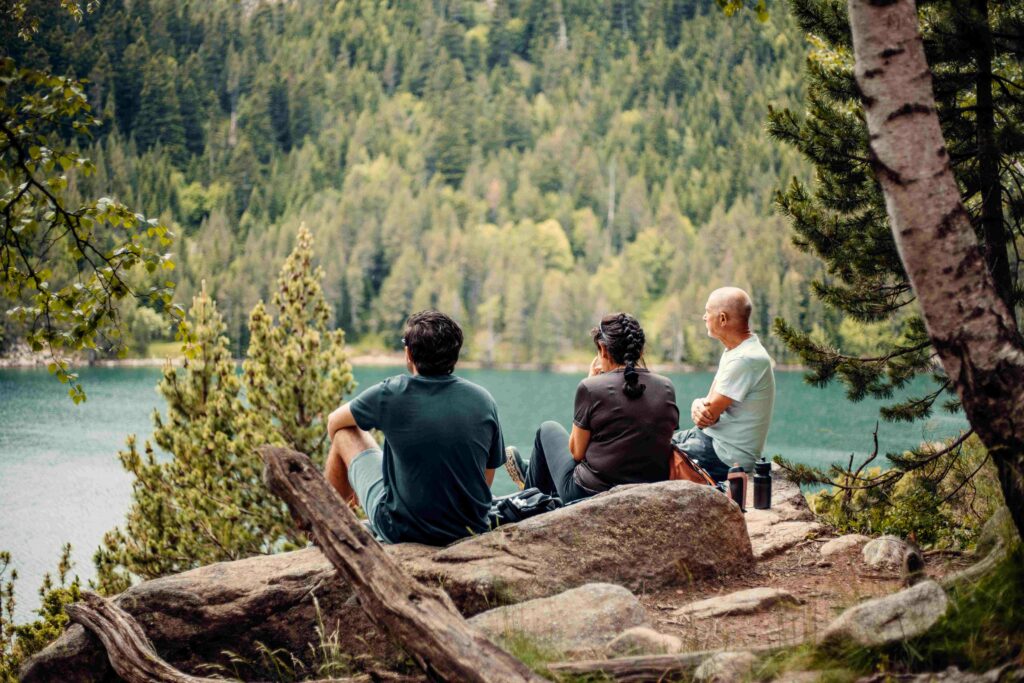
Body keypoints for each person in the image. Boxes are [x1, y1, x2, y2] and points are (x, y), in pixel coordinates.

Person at [323, 310, 506, 546]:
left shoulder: (392, 393)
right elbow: (487, 475)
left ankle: (323, 528)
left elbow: (333, 422)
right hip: (469, 526)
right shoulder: (483, 399)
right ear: (455, 355)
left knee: (344, 433)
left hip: (402, 530)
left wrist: (356, 478)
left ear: (408, 353)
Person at [504, 313, 679, 502]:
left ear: (603, 349)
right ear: (640, 351)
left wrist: (591, 381)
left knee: (547, 429)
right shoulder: (666, 387)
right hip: (650, 488)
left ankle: (527, 502)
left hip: (589, 492)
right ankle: (534, 478)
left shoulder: (591, 388)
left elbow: (576, 452)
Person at [674, 287, 775, 482]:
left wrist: (701, 407)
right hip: (712, 440)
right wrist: (698, 403)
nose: (704, 317)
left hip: (727, 456)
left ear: (722, 319)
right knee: (654, 443)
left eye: (707, 311)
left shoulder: (745, 359)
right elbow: (708, 407)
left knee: (653, 457)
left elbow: (707, 417)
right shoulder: (737, 350)